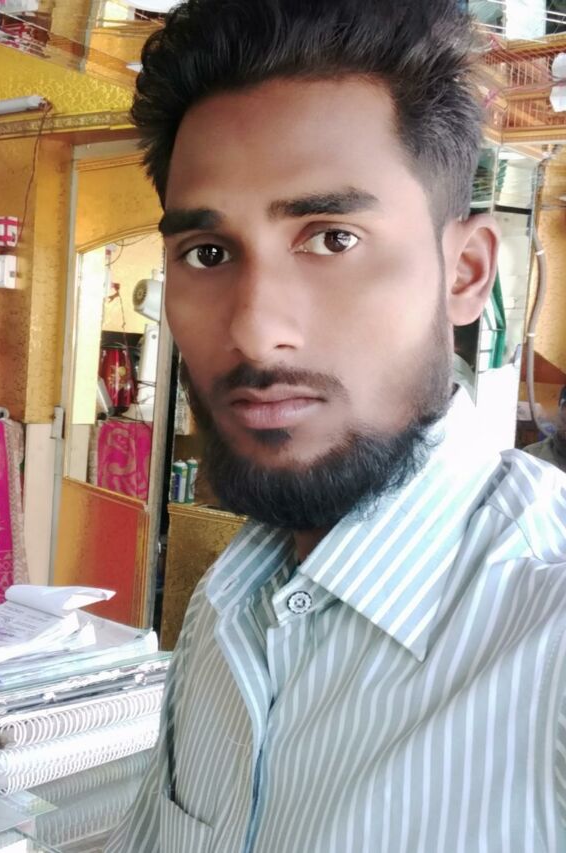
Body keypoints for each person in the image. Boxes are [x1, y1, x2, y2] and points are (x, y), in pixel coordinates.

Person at [107, 1, 566, 850]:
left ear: (465, 273)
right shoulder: (229, 601)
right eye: (208, 254)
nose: (255, 332)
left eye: (332, 239)